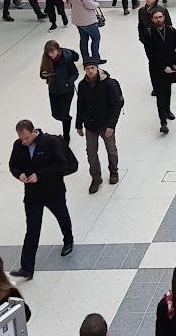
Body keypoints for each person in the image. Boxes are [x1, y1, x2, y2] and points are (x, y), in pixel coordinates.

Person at [8, 119, 74, 279]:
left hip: (53, 191)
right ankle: (27, 268)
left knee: (61, 215)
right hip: (32, 194)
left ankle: (68, 239)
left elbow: (61, 165)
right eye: (21, 138)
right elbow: (13, 165)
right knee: (32, 229)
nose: (24, 142)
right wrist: (20, 174)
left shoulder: (50, 142)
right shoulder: (18, 146)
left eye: (26, 138)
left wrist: (40, 175)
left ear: (33, 132)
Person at [75, 59, 122, 192]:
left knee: (111, 149)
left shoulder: (108, 83)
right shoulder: (82, 85)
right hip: (90, 124)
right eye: (87, 68)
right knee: (91, 152)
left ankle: (114, 171)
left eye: (92, 68)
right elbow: (80, 105)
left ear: (97, 68)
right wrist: (79, 124)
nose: (90, 71)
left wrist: (111, 125)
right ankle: (96, 177)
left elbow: (116, 105)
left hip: (106, 123)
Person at [142, 9, 176, 134]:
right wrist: (163, 67)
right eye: (156, 17)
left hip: (172, 66)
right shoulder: (148, 33)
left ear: (164, 17)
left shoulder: (171, 30)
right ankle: (163, 121)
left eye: (160, 17)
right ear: (152, 19)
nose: (158, 19)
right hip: (157, 69)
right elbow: (150, 54)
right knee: (160, 93)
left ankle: (168, 109)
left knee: (168, 89)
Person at [40, 40, 80, 142]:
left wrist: (68, 82)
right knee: (55, 115)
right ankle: (67, 120)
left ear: (57, 50)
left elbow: (75, 73)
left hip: (66, 91)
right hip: (53, 90)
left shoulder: (66, 60)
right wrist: (44, 74)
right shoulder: (46, 60)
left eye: (52, 52)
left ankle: (66, 136)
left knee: (63, 114)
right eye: (49, 53)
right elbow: (42, 74)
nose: (51, 54)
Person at [69, 0, 105, 64]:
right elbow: (90, 5)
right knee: (96, 38)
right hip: (88, 20)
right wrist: (97, 4)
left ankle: (86, 59)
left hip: (77, 20)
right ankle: (95, 59)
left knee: (83, 39)